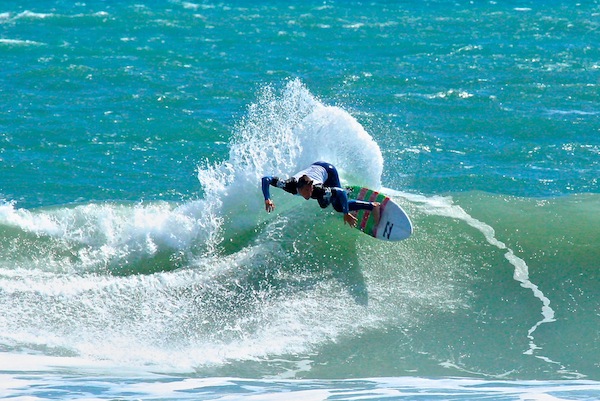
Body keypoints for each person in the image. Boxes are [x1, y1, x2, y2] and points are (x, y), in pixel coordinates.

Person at [261, 161, 380, 227]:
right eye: (307, 190)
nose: (310, 192)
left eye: (311, 189)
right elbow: (266, 179)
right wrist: (267, 199)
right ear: (300, 188)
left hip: (328, 171)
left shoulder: (317, 190)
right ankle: (343, 193)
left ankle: (372, 206)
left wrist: (346, 212)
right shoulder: (289, 185)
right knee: (323, 204)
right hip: (316, 167)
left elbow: (340, 192)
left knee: (337, 206)